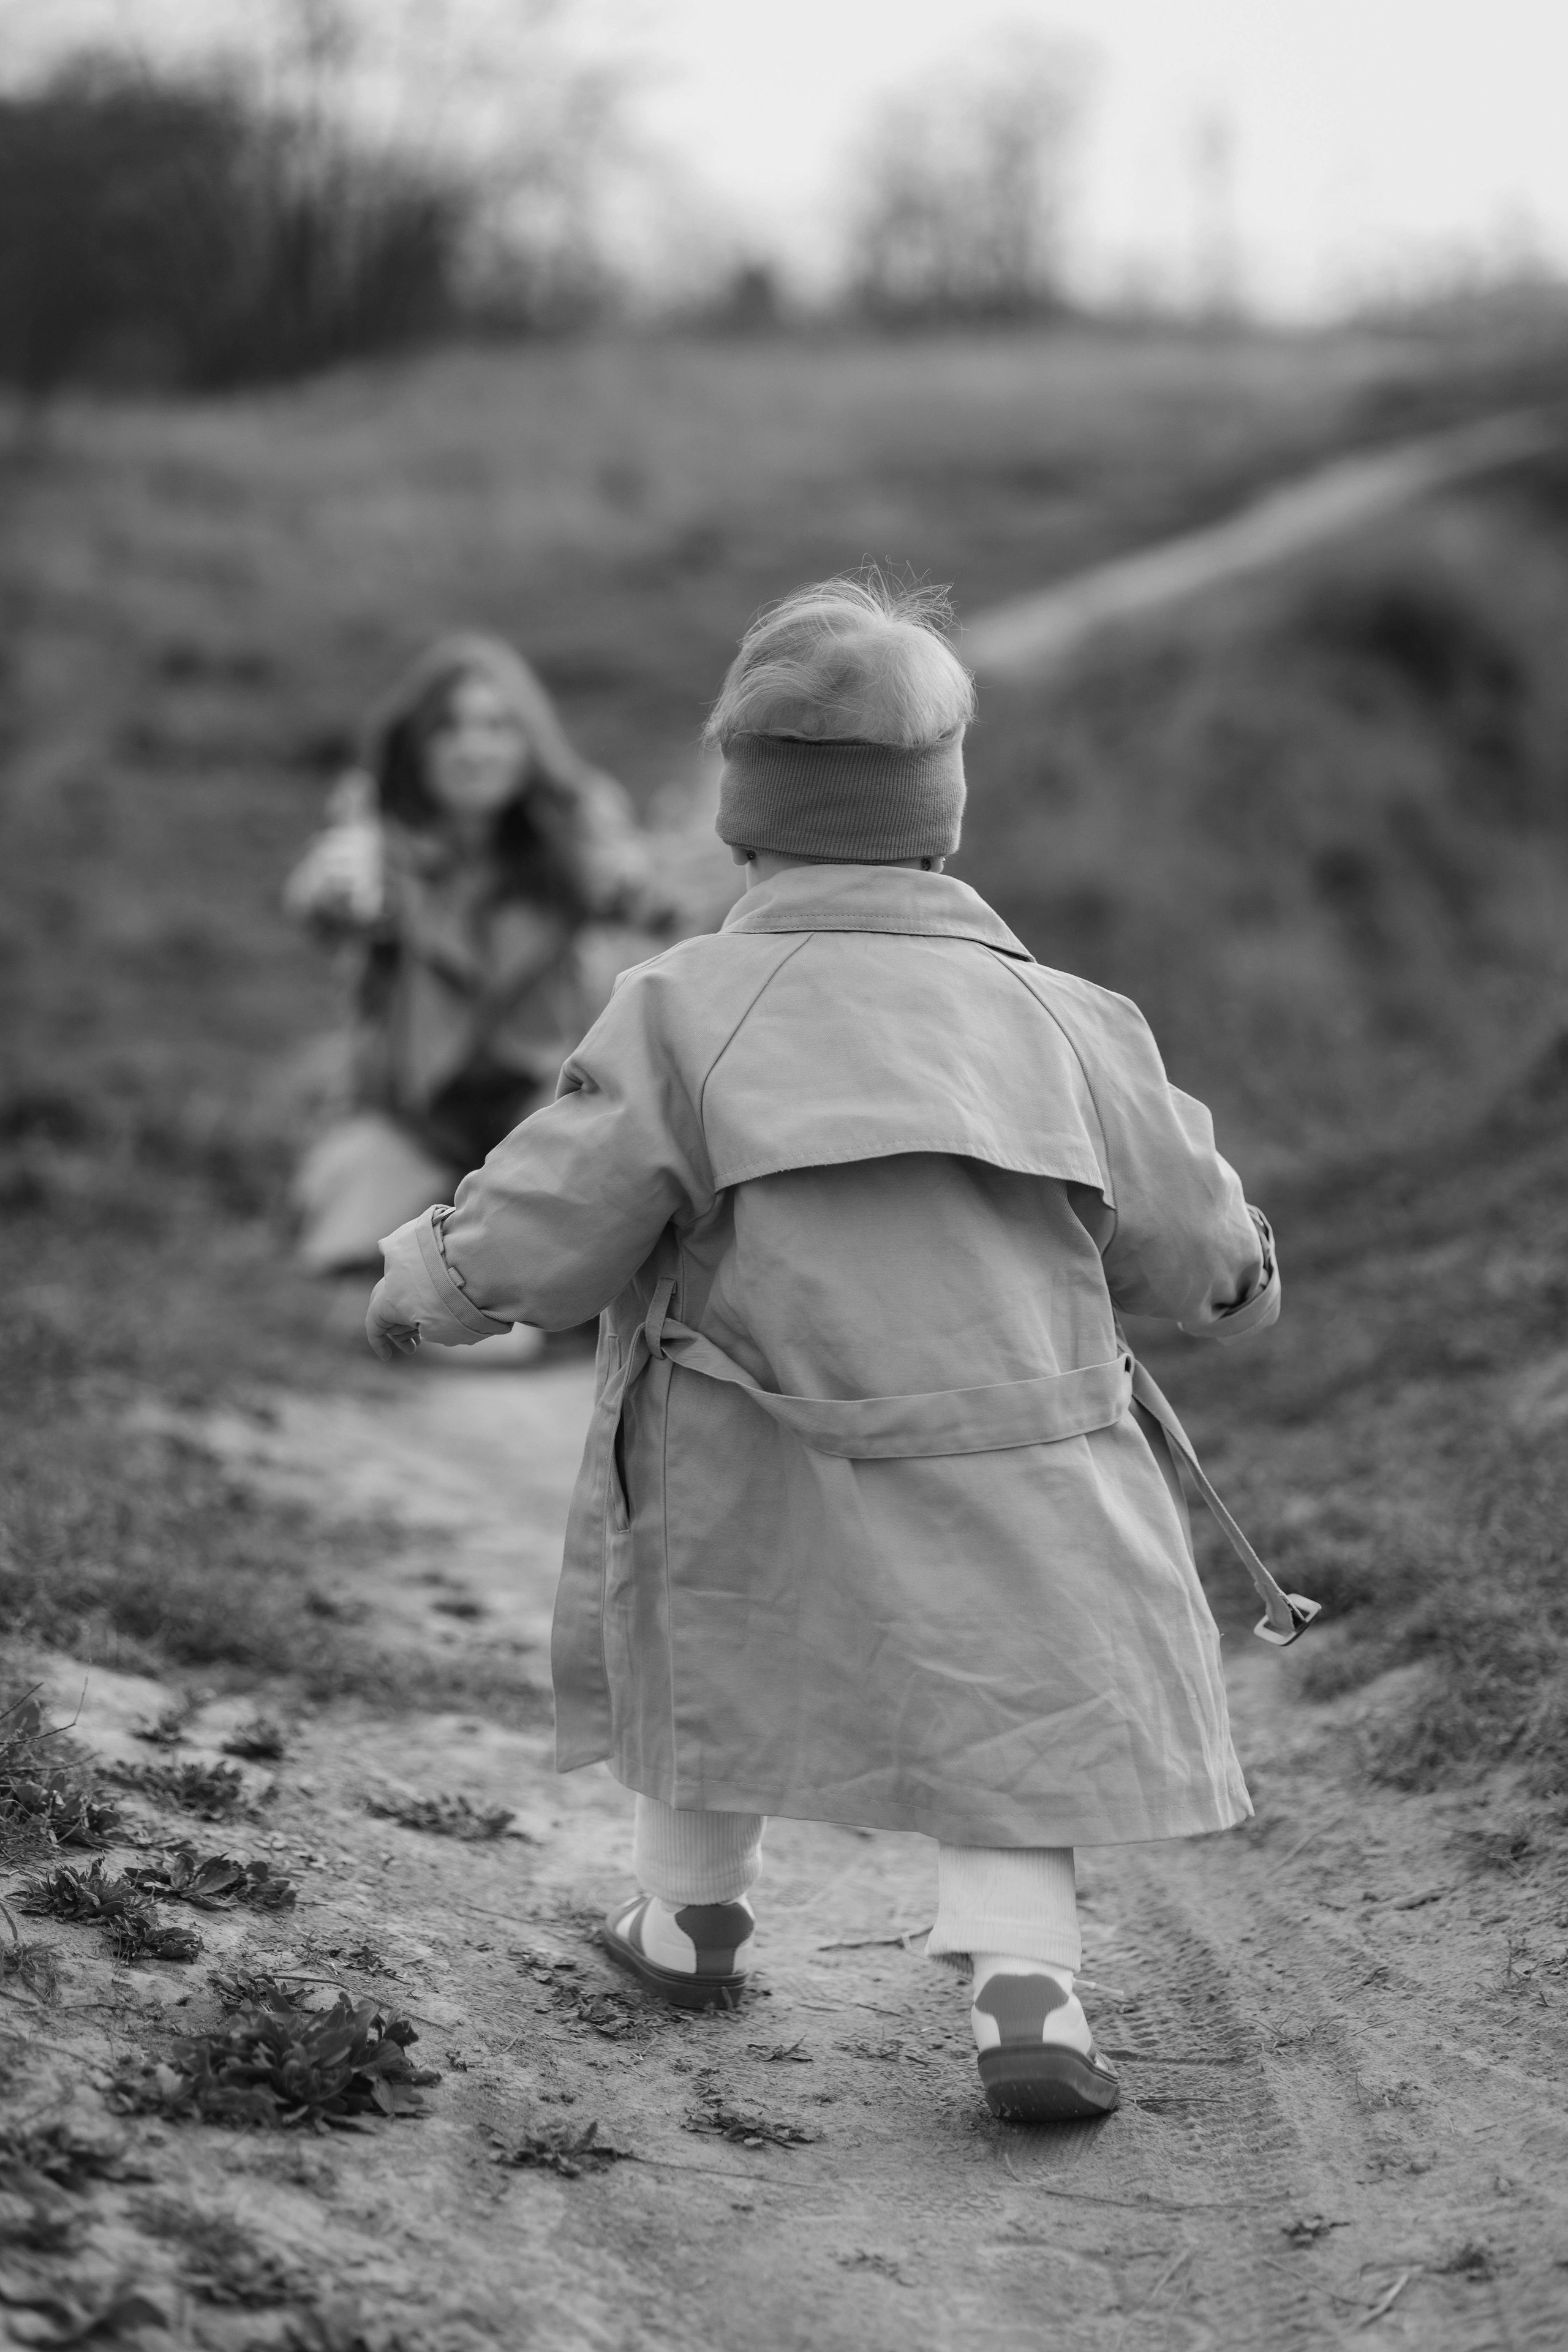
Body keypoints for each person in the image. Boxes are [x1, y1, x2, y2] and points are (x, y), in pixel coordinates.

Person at [364, 575, 1311, 2125]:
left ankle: (688, 1920)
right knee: (1017, 1698)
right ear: (942, 826)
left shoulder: (683, 1006)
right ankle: (1027, 1990)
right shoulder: (1066, 1016)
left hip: (757, 1435)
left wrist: (430, 1281)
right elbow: (1192, 1245)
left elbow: (557, 1203)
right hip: (1022, 1441)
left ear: (742, 830)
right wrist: (1242, 1282)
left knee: (712, 1626)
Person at [284, 633, 660, 1277]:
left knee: (567, 1203)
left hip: (539, 1112)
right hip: (412, 1122)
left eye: (496, 726)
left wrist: (629, 882)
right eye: (448, 728)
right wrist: (338, 893)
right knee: (353, 1243)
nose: (473, 748)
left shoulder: (573, 834)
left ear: (528, 743)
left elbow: (645, 896)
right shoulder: (376, 839)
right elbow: (324, 893)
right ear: (417, 744)